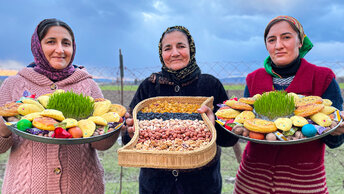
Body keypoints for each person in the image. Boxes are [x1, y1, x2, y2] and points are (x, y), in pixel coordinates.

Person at [0, 18, 119, 193]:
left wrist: (113, 128)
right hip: (27, 188)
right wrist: (4, 128)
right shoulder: (14, 85)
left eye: (66, 43)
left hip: (81, 187)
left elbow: (101, 145)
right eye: (51, 42)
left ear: (74, 47)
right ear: (38, 46)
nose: (60, 50)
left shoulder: (87, 85)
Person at [233, 15, 344, 194]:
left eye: (286, 37)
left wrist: (335, 131)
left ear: (300, 42)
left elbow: (335, 140)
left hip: (304, 182)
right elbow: (245, 124)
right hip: (252, 181)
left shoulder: (323, 78)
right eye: (271, 40)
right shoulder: (253, 79)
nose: (278, 45)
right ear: (267, 46)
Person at [122, 26, 238, 194]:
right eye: (167, 48)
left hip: (202, 185)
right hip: (155, 186)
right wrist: (131, 133)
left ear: (191, 49)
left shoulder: (210, 85)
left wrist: (213, 128)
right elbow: (128, 139)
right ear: (161, 53)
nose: (175, 53)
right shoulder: (148, 87)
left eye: (181, 46)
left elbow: (229, 140)